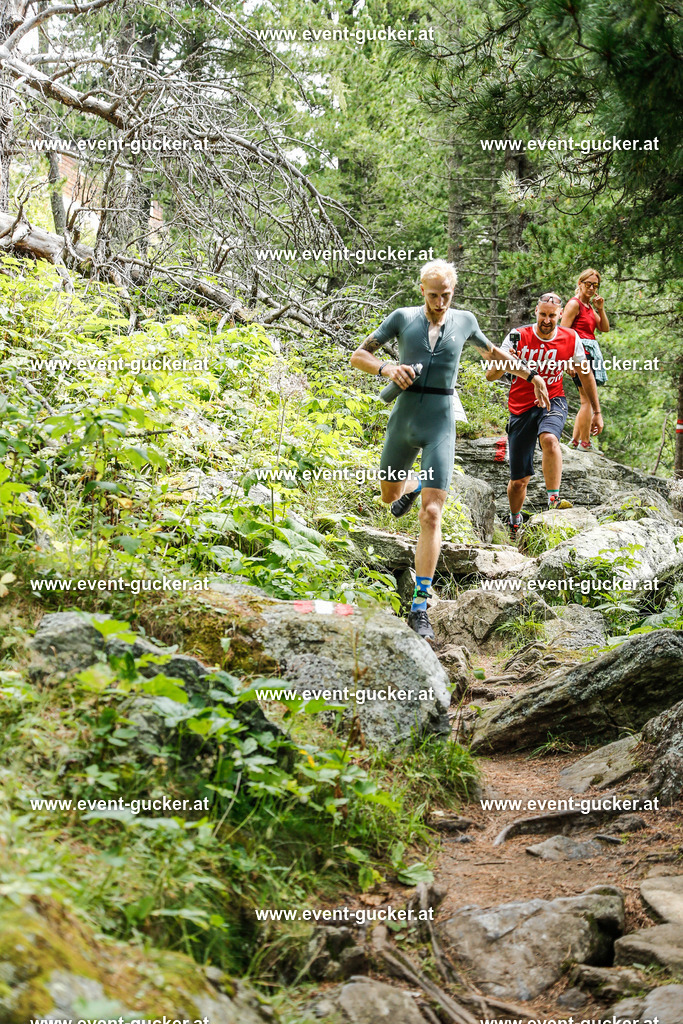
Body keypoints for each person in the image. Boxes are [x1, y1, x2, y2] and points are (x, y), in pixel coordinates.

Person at [350, 260, 549, 640]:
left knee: (431, 513)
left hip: (441, 421)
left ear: (453, 291)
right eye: (433, 295)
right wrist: (387, 369)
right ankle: (408, 487)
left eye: (447, 295)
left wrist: (532, 375)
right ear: (421, 290)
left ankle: (420, 605)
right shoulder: (401, 317)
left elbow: (494, 355)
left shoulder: (465, 321)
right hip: (404, 420)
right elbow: (359, 355)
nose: (440, 302)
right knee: (388, 495)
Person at [485, 292, 603, 538]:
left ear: (561, 315)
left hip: (553, 400)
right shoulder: (518, 336)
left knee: (549, 438)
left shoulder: (571, 338)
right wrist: (507, 362)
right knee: (519, 481)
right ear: (536, 313)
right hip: (520, 407)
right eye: (542, 314)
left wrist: (597, 411)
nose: (547, 320)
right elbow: (491, 375)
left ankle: (554, 499)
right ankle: (515, 521)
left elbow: (586, 375)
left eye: (552, 315)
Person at [561, 268, 610, 452]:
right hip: (579, 354)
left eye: (595, 285)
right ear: (580, 284)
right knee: (587, 400)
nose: (591, 288)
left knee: (586, 399)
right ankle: (585, 443)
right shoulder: (574, 305)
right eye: (588, 284)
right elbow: (563, 332)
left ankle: (575, 441)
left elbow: (604, 328)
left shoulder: (589, 306)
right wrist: (567, 361)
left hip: (590, 354)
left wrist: (600, 309)